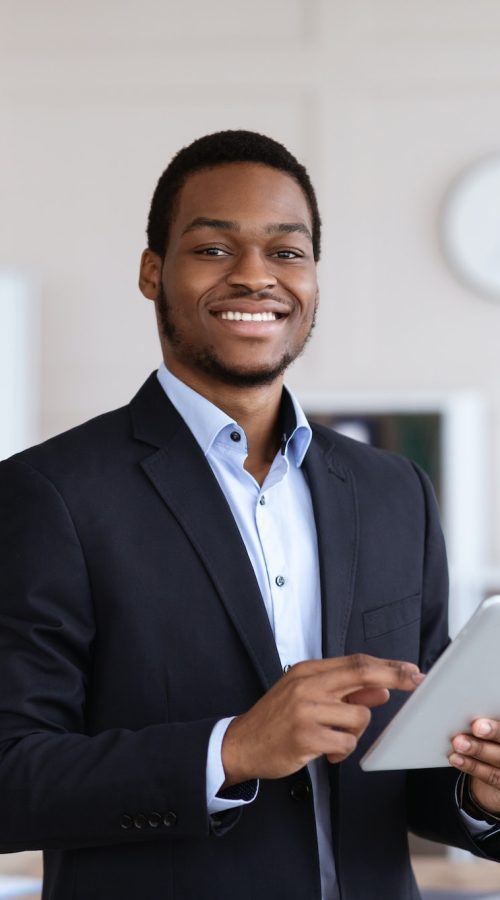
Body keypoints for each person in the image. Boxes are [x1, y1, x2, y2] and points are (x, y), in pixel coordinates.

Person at [1, 130, 500, 900]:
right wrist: (228, 751)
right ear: (152, 272)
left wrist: (479, 790)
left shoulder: (394, 490)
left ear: (315, 279)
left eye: (288, 252)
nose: (256, 276)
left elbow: (412, 768)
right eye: (212, 250)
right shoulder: (49, 495)